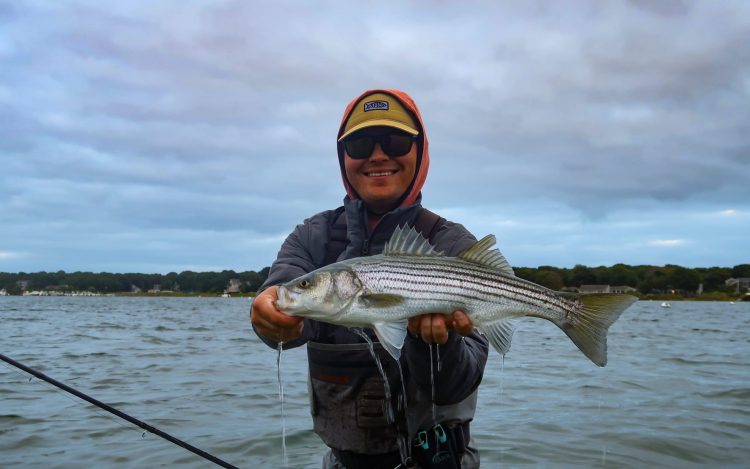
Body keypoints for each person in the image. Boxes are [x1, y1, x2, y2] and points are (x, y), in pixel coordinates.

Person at [251, 89, 489, 469]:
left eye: (395, 141)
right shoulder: (312, 238)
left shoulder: (453, 244)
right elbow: (283, 290)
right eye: (360, 144)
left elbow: (459, 384)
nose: (378, 155)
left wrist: (438, 345)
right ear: (343, 157)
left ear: (420, 152)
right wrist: (269, 317)